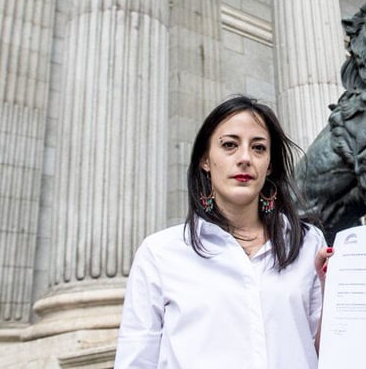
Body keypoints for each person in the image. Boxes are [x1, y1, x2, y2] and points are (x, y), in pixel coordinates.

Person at [115, 95, 326, 369]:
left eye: (259, 148)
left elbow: (328, 350)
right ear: (205, 159)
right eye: (229, 145)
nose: (245, 158)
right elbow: (136, 360)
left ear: (269, 165)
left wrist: (334, 288)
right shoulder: (160, 253)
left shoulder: (308, 244)